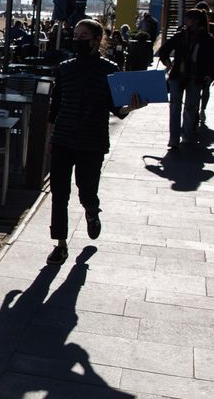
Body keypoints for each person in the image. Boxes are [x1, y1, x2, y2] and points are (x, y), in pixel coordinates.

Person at [46, 19, 145, 265]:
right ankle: (60, 244)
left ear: (97, 39)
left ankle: (91, 210)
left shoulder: (109, 68)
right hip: (63, 138)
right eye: (76, 35)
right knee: (59, 193)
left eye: (84, 36)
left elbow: (116, 108)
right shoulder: (65, 68)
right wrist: (49, 135)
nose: (78, 39)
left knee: (86, 189)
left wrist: (131, 107)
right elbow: (55, 105)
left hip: (92, 139)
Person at [158, 8, 214, 149]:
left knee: (191, 108)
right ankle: (173, 139)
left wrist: (209, 74)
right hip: (178, 75)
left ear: (196, 21)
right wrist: (168, 63)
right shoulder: (180, 35)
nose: (185, 22)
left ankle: (187, 134)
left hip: (196, 77)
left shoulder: (207, 39)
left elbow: (212, 59)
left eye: (188, 19)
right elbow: (164, 50)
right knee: (175, 108)